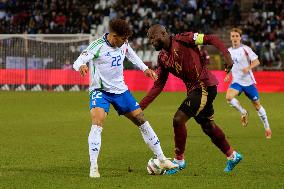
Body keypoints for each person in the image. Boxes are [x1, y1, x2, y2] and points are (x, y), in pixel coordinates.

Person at [73, 19, 178, 178]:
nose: (126, 42)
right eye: (123, 39)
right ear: (114, 36)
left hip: (121, 91)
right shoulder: (97, 46)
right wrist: (80, 65)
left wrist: (145, 69)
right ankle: (94, 167)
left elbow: (131, 54)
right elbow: (79, 60)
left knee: (141, 120)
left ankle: (162, 159)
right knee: (97, 122)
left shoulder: (123, 44)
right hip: (100, 91)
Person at [140, 24, 242, 174]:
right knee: (207, 125)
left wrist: (227, 57)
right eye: (149, 40)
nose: (151, 42)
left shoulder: (184, 39)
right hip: (194, 90)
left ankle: (179, 161)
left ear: (163, 33)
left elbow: (212, 38)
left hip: (204, 85)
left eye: (153, 38)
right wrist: (139, 106)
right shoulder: (162, 57)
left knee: (178, 119)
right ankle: (232, 155)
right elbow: (159, 84)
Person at [224, 28, 272, 138]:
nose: (235, 38)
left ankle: (267, 128)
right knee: (229, 97)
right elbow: (229, 65)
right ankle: (243, 112)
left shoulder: (246, 49)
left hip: (249, 83)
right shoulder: (229, 51)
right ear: (230, 38)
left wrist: (249, 67)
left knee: (257, 106)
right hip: (237, 82)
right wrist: (227, 74)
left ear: (240, 37)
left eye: (237, 36)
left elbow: (257, 61)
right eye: (233, 36)